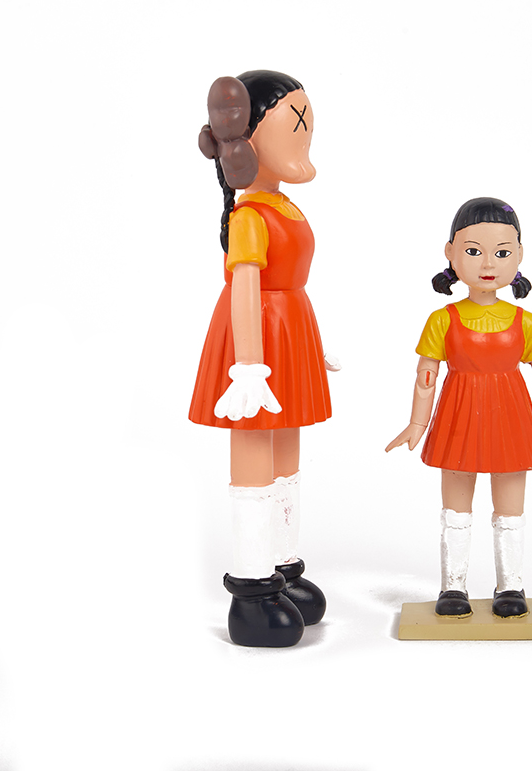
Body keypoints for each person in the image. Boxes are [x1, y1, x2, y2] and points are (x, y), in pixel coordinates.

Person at [190, 71, 338, 647]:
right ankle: (252, 590)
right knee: (255, 445)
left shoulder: (283, 205)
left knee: (287, 448)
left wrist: (311, 343)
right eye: (295, 123)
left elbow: (290, 278)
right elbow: (246, 288)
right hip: (256, 338)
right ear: (247, 139)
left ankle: (282, 566)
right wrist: (248, 366)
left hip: (289, 328)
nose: (305, 134)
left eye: (307, 124)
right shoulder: (249, 216)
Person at [386, 197, 532, 618]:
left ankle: (510, 585)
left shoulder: (527, 323)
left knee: (510, 511)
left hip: (511, 419)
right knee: (456, 511)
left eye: (502, 252)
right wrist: (417, 423)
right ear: (450, 252)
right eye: (473, 251)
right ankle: (453, 586)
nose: (488, 263)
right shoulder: (442, 320)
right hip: (457, 418)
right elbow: (425, 376)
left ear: (520, 255)